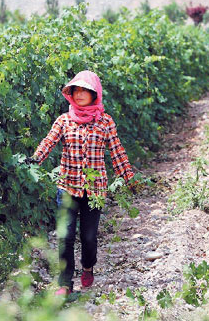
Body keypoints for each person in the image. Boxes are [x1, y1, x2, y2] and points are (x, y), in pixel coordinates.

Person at [29, 70, 135, 296]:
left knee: (88, 237)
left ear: (94, 94)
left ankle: (88, 267)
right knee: (65, 236)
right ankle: (65, 284)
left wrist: (128, 176)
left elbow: (116, 151)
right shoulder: (64, 120)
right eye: (75, 91)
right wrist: (36, 158)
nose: (78, 95)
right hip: (67, 187)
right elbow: (49, 141)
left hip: (95, 191)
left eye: (84, 91)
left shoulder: (105, 122)